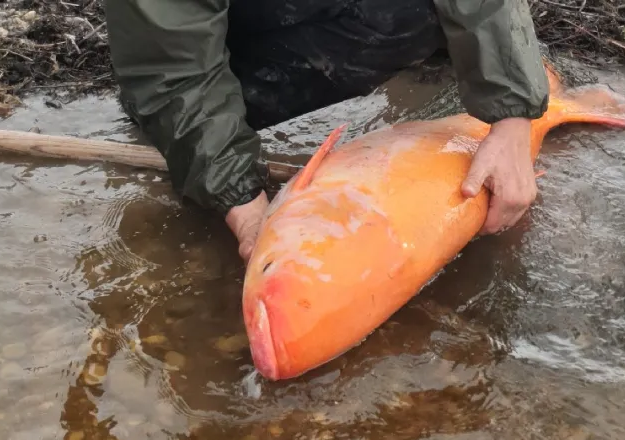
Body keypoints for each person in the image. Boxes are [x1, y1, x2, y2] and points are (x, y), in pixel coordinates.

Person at [105, 0, 549, 262]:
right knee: (180, 118)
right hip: (236, 36)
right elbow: (174, 70)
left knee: (414, 14)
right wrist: (239, 200)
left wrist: (512, 116)